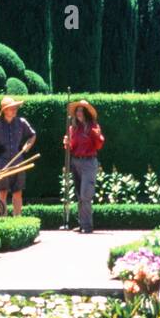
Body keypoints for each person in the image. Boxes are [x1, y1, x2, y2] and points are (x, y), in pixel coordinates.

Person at [63, 100, 105, 234]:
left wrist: (97, 135)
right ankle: (82, 224)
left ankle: (87, 226)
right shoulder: (73, 128)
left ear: (86, 113)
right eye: (77, 111)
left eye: (81, 111)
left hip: (89, 162)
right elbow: (71, 147)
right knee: (79, 195)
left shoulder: (93, 126)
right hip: (75, 162)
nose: (79, 113)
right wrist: (67, 143)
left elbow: (99, 145)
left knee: (85, 194)